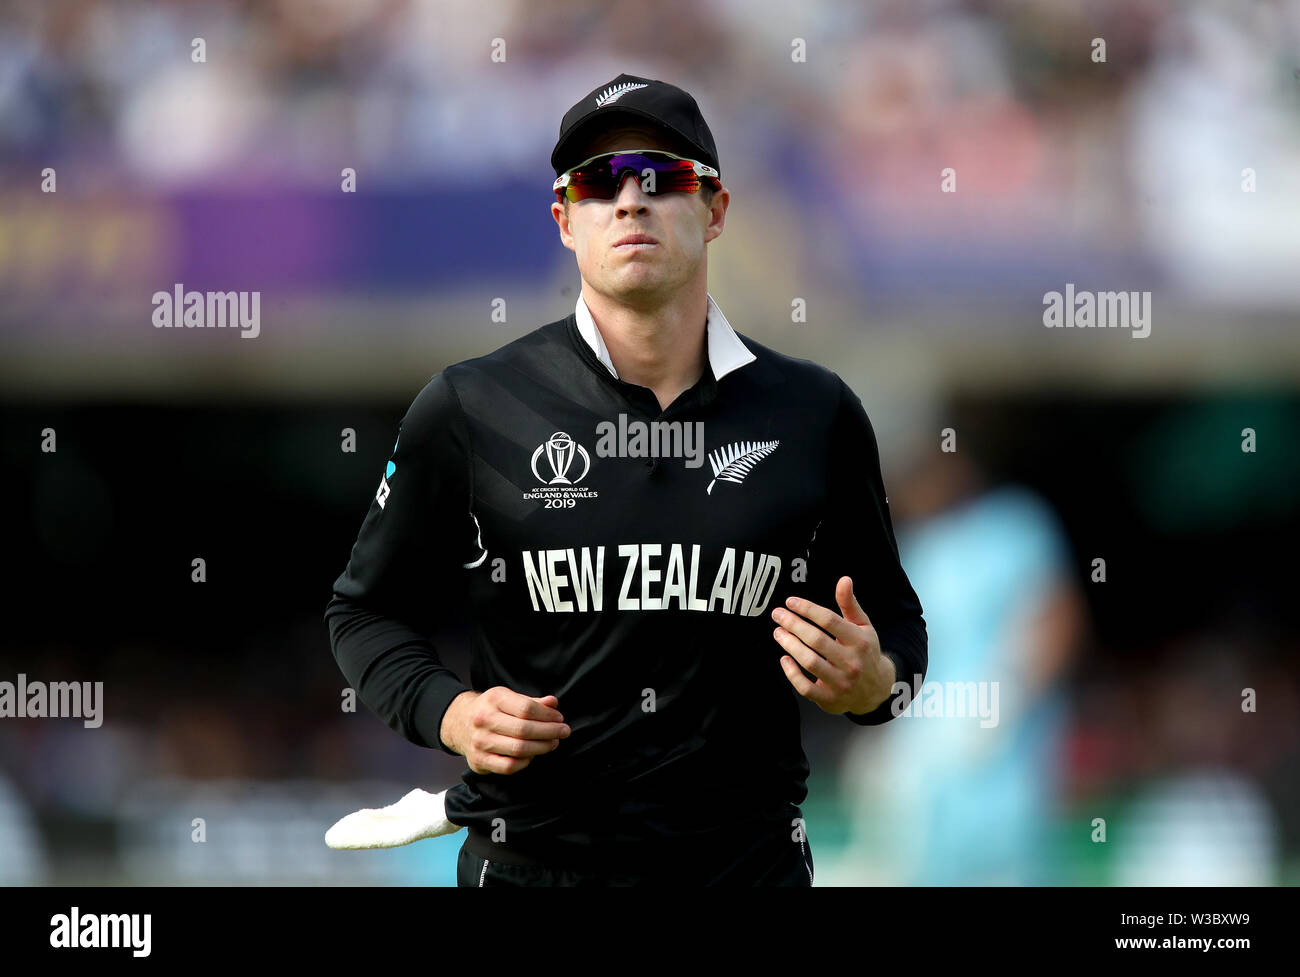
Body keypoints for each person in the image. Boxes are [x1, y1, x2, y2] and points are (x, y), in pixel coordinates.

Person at [324, 73, 927, 886]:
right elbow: (363, 612)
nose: (631, 200)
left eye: (663, 177)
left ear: (715, 211)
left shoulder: (815, 413)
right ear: (565, 220)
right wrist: (454, 714)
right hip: (531, 873)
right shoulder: (472, 405)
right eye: (599, 182)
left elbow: (898, 632)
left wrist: (873, 683)